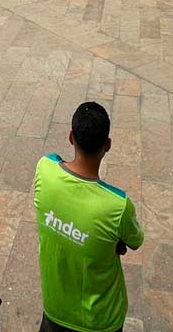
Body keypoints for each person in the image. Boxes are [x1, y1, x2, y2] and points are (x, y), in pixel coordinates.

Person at [34, 101, 144, 332]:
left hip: (55, 309)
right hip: (100, 320)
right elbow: (135, 240)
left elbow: (55, 161)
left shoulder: (45, 170)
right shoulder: (117, 206)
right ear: (108, 145)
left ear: (71, 137)